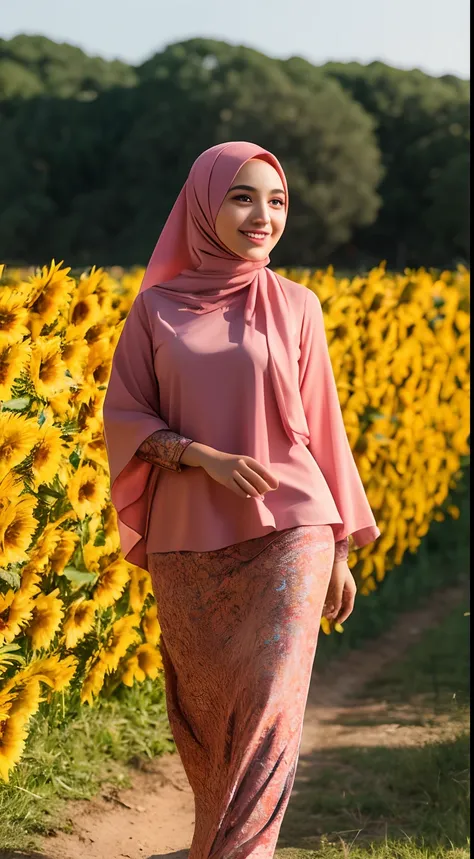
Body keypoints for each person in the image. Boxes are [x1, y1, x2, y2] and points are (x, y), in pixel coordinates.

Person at [103, 141, 380, 858]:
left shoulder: (297, 306)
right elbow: (125, 416)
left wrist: (342, 546)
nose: (264, 215)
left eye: (277, 200)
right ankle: (212, 842)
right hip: (188, 541)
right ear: (204, 203)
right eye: (244, 197)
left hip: (294, 531)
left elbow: (326, 428)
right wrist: (202, 457)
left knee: (270, 712)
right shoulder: (154, 310)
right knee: (207, 720)